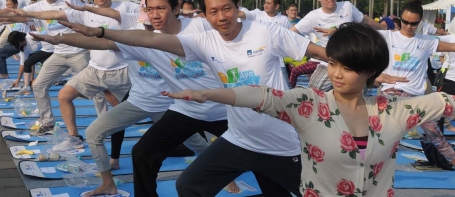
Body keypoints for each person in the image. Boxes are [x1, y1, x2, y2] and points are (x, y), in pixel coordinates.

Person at [52, 0, 327, 197]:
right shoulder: (202, 40)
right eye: (213, 12)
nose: (221, 17)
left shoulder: (259, 32)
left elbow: (321, 53)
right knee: (173, 175)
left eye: (227, 9)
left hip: (258, 129)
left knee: (291, 190)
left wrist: (363, 70)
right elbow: (145, 39)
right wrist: (99, 32)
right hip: (214, 123)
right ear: (205, 14)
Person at [163, 22, 455, 197]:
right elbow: (261, 95)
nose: (337, 74)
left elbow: (444, 101)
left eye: (348, 67)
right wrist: (205, 93)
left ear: (371, 71)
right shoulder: (310, 105)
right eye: (333, 63)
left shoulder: (394, 111)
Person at [34, 0, 209, 196]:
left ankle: (223, 174)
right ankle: (108, 183)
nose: (150, 21)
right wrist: (57, 38)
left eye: (158, 12)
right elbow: (101, 41)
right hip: (138, 102)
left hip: (167, 105)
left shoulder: (174, 40)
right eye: (147, 16)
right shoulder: (131, 38)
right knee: (93, 133)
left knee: (198, 144)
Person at [13, 0, 136, 141]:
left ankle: (107, 125)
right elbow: (55, 14)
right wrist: (24, 12)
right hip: (92, 68)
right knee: (63, 95)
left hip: (120, 71)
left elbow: (149, 13)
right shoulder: (85, 12)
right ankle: (72, 136)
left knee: (138, 110)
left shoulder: (125, 7)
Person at [0, 0, 90, 136]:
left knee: (97, 90)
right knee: (38, 85)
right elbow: (16, 13)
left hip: (77, 52)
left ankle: (109, 119)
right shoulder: (37, 6)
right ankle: (47, 123)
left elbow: (86, 17)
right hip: (58, 54)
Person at [376, 1, 455, 166]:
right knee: (381, 135)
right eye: (405, 22)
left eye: (413, 23)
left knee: (436, 136)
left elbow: (452, 46)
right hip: (392, 94)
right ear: (400, 19)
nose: (408, 26)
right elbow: (359, 35)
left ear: (420, 22)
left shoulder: (426, 41)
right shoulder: (387, 36)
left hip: (417, 100)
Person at [291, 0, 386, 91]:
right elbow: (291, 33)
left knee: (357, 97)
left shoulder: (347, 7)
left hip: (352, 61)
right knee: (315, 94)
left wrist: (387, 30)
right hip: (328, 62)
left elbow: (367, 21)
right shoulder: (313, 16)